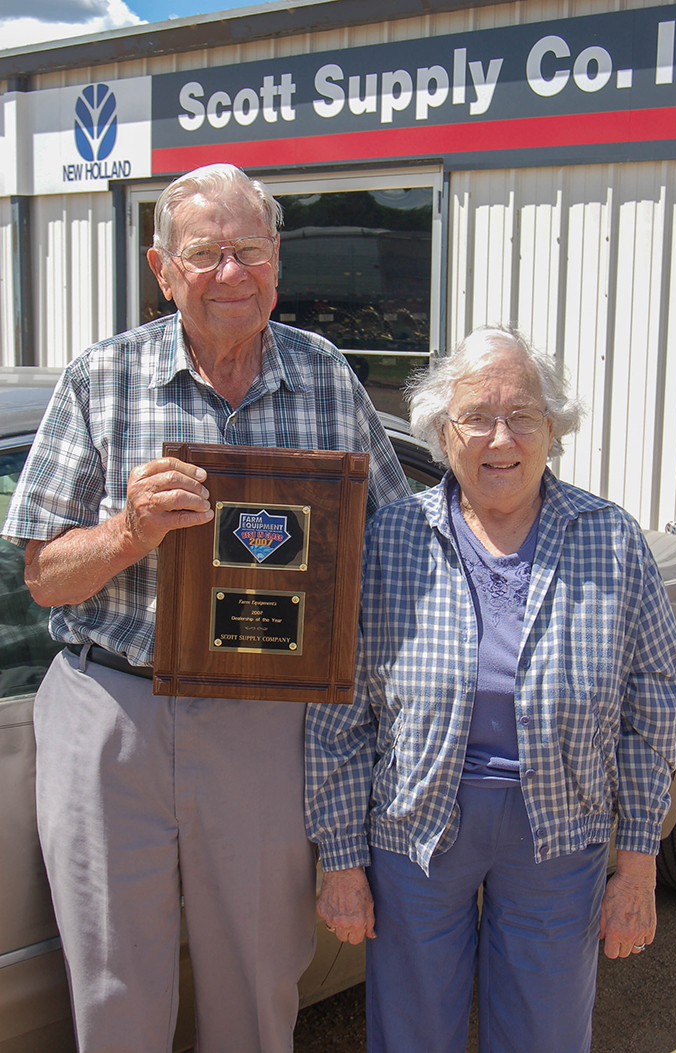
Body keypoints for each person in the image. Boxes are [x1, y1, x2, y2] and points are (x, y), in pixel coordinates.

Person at [2, 163, 410, 1053]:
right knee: (115, 988)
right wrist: (129, 531)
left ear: (278, 260)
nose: (233, 272)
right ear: (162, 269)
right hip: (115, 713)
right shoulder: (101, 379)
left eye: (251, 250)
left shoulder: (326, 375)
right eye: (206, 253)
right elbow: (41, 573)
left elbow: (395, 538)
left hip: (266, 719)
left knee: (259, 983)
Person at [305, 325, 676, 1053]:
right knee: (414, 1031)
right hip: (415, 824)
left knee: (545, 1031)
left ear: (554, 429)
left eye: (522, 415)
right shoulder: (390, 538)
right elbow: (340, 707)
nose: (500, 437)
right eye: (477, 416)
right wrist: (340, 857)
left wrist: (638, 864)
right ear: (443, 434)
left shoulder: (610, 539)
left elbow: (656, 699)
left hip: (559, 826)